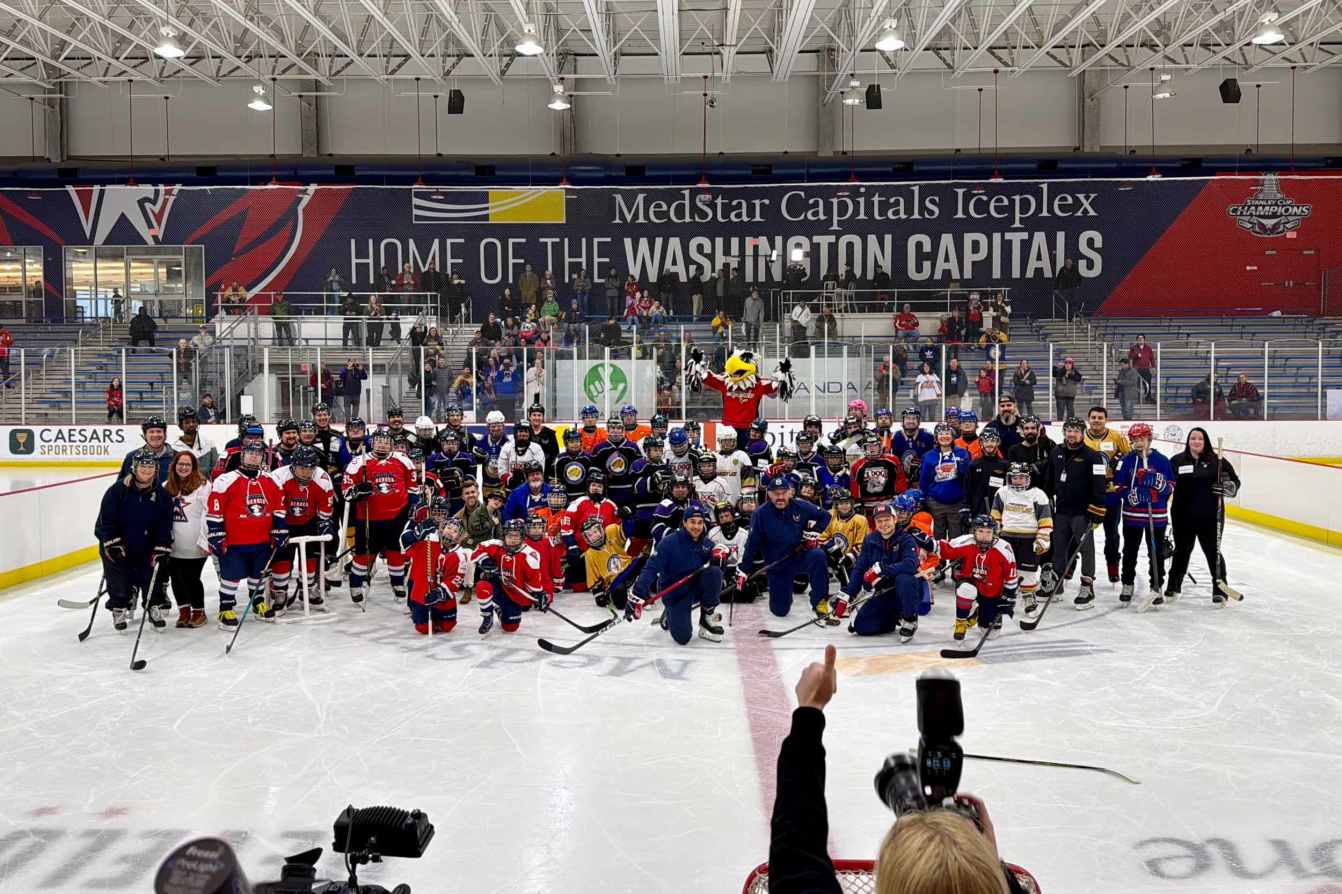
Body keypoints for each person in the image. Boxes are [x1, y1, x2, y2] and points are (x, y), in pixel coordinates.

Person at [206, 442, 287, 626]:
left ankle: (258, 603)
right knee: (231, 575)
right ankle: (225, 608)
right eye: (250, 453)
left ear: (263, 457)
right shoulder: (225, 480)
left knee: (258, 574)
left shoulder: (271, 480)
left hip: (262, 540)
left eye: (258, 454)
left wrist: (280, 529)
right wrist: (216, 533)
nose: (253, 456)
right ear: (242, 456)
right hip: (235, 541)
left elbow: (279, 507)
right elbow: (215, 510)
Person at [95, 449, 174, 631]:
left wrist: (162, 547)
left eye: (151, 466)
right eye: (143, 466)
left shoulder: (162, 495)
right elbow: (106, 521)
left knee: (152, 572)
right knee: (119, 577)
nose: (147, 470)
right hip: (119, 544)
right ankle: (119, 607)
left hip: (147, 545)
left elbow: (164, 524)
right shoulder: (117, 491)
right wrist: (113, 543)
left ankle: (153, 605)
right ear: (134, 468)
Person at [628, 503, 727, 643]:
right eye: (692, 522)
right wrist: (637, 594)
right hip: (675, 594)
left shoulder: (706, 544)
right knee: (683, 638)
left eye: (700, 523)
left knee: (715, 572)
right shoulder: (669, 543)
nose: (696, 527)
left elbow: (716, 571)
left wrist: (721, 557)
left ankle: (707, 617)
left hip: (695, 588)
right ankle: (669, 614)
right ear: (684, 523)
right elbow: (650, 568)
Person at [738, 474, 833, 618]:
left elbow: (825, 516)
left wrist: (814, 532)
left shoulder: (801, 506)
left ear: (790, 492)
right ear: (769, 494)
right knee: (780, 611)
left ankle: (820, 601)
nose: (780, 497)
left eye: (783, 493)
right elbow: (752, 543)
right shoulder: (760, 514)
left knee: (818, 555)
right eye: (776, 494)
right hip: (777, 564)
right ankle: (785, 595)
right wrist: (744, 569)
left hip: (798, 556)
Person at [913, 514, 1018, 641]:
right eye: (980, 531)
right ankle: (961, 622)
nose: (984, 535)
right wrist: (925, 540)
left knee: (991, 634)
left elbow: (1011, 574)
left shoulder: (1004, 548)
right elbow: (944, 549)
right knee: (966, 589)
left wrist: (1009, 596)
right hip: (970, 582)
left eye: (988, 532)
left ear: (994, 532)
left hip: (992, 591)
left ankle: (978, 613)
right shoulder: (967, 541)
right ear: (974, 531)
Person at [1167, 427, 1241, 604]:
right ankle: (1173, 587)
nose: (1196, 442)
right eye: (1193, 438)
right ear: (1188, 441)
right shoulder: (1177, 461)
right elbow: (1167, 483)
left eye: (1200, 439)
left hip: (1210, 516)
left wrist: (1229, 486)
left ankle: (1220, 590)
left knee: (1213, 552)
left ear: (1205, 441)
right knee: (1181, 551)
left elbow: (1235, 482)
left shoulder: (1217, 461)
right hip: (1182, 515)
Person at [342, 429, 415, 604]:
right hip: (368, 517)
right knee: (364, 554)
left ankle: (397, 583)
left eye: (386, 441)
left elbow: (412, 487)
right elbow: (346, 492)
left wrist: (414, 507)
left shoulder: (404, 460)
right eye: (378, 441)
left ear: (391, 444)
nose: (382, 444)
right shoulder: (358, 462)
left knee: (395, 552)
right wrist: (358, 491)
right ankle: (355, 583)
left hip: (397, 516)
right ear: (372, 442)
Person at [1113, 422, 1175, 609]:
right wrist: (1133, 495)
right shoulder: (1127, 460)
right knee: (1129, 551)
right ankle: (1127, 583)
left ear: (1149, 438)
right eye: (1134, 440)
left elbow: (1171, 486)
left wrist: (1158, 484)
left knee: (1155, 553)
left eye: (1141, 439)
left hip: (1156, 516)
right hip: (1132, 515)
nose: (1138, 443)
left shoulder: (1162, 460)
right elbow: (1119, 486)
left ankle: (1157, 586)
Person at [1049, 417, 1107, 608]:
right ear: (1064, 432)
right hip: (1062, 511)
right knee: (1058, 548)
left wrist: (1098, 510)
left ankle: (1087, 586)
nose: (1071, 434)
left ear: (1082, 433)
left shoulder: (1093, 456)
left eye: (1076, 430)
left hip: (1083, 512)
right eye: (1068, 430)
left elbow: (1100, 485)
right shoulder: (1056, 451)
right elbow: (1049, 478)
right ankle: (1056, 584)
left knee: (1086, 549)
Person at [992, 463, 1052, 615]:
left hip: (1028, 538)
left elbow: (1045, 521)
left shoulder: (1038, 495)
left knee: (1027, 571)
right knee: (1003, 568)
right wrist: (993, 533)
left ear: (1028, 478)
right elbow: (995, 515)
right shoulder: (1002, 492)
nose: (1017, 481)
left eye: (1021, 478)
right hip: (1006, 537)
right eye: (1014, 478)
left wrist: (1042, 539)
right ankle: (1003, 595)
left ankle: (1028, 596)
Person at [470, 518, 547, 635]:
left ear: (522, 537)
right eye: (510, 535)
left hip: (514, 595)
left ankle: (500, 610)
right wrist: (485, 561)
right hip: (498, 587)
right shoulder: (497, 545)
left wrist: (539, 594)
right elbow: (478, 550)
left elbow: (533, 579)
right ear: (504, 536)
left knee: (510, 627)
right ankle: (487, 616)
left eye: (517, 536)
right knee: (482, 585)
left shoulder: (530, 555)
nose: (513, 539)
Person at [1083, 406, 1131, 584]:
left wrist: (1120, 464)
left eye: (1100, 418)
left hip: (1110, 491)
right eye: (1093, 417)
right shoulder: (1082, 436)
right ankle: (1075, 567)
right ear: (1089, 419)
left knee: (1111, 532)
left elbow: (1129, 458)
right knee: (1083, 531)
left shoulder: (1117, 437)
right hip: (1087, 492)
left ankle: (1113, 565)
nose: (1096, 420)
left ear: (1106, 419)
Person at [165, 450, 211, 628]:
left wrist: (205, 540)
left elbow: (208, 514)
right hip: (174, 545)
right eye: (180, 464)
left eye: (187, 464)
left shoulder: (204, 486)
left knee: (191, 578)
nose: (183, 467)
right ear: (174, 466)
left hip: (195, 544)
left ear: (193, 467)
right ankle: (184, 611)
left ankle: (199, 611)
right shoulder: (166, 486)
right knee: (176, 579)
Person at [119, 416, 175, 483]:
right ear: (145, 435)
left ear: (165, 435)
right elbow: (120, 487)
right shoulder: (132, 457)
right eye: (151, 432)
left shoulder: (176, 457)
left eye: (159, 431)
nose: (155, 435)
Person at [171, 406, 218, 472]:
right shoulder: (174, 448)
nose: (191, 424)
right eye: (187, 422)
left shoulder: (209, 444)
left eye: (194, 421)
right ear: (180, 426)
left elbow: (215, 469)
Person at [1052, 356, 1082, 422]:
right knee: (1060, 414)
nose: (1068, 364)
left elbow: (1078, 378)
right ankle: (1059, 426)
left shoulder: (1075, 372)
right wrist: (1064, 372)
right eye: (1066, 362)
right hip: (1060, 395)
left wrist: (1070, 374)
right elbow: (1054, 372)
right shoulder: (1060, 371)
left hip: (1070, 395)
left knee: (1071, 414)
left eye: (1070, 362)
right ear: (1064, 363)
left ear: (1072, 364)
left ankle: (1070, 424)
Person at [1128, 334, 1155, 403]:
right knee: (1137, 385)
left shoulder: (1148, 348)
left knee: (1147, 384)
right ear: (1137, 340)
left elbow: (1152, 358)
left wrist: (1153, 367)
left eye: (1142, 338)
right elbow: (1130, 359)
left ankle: (1148, 398)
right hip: (1137, 369)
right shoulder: (1133, 348)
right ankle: (1138, 399)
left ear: (1144, 340)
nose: (1140, 340)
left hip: (1146, 369)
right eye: (1139, 339)